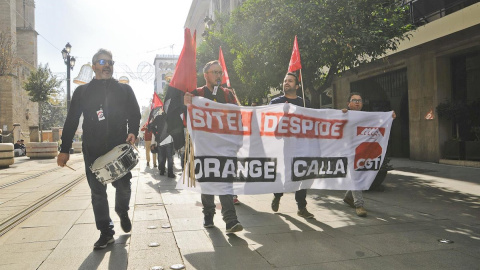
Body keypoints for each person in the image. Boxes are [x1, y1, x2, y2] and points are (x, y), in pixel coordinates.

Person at [57, 49, 141, 249]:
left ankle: (122, 211)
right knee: (97, 193)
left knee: (123, 187)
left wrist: (133, 131)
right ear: (94, 66)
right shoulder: (82, 92)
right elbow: (71, 121)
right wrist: (65, 148)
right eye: (103, 62)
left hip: (118, 148)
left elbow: (135, 113)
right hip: (93, 149)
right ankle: (106, 232)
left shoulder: (124, 90)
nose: (108, 65)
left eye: (111, 62)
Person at [184, 60, 243, 233]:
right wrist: (185, 102)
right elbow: (186, 116)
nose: (218, 76)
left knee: (226, 182)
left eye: (220, 72)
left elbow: (237, 116)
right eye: (215, 72)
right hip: (204, 148)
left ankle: (231, 220)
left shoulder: (228, 94)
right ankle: (208, 214)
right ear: (206, 75)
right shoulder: (197, 94)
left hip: (224, 147)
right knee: (208, 183)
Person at [342, 92, 396, 217]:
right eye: (354, 100)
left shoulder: (367, 117)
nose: (357, 102)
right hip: (349, 152)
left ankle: (348, 197)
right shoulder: (344, 114)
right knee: (356, 176)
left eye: (359, 100)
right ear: (348, 103)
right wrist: (341, 113)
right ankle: (359, 204)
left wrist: (390, 116)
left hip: (364, 152)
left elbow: (382, 121)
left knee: (360, 174)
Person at [269, 72, 314, 219]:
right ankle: (277, 195)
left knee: (302, 175)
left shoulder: (304, 103)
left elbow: (314, 120)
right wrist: (284, 115)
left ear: (297, 85)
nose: (286, 83)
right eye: (285, 81)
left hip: (301, 145)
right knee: (282, 174)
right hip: (282, 145)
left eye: (290, 81)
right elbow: (269, 123)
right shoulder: (276, 102)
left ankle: (302, 207)